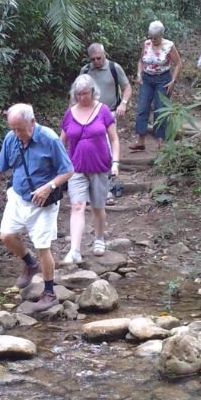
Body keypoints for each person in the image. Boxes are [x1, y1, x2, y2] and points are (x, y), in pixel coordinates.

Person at [0, 103, 73, 312]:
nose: (16, 133)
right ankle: (30, 264)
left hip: (43, 203)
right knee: (6, 236)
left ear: (32, 121)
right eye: (12, 128)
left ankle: (49, 292)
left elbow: (68, 171)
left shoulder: (49, 139)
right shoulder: (11, 139)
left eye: (20, 128)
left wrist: (49, 187)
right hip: (18, 197)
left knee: (42, 246)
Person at [60, 75, 119, 263]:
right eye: (78, 94)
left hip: (100, 166)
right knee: (77, 206)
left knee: (98, 207)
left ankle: (99, 238)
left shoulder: (103, 111)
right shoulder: (69, 113)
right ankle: (75, 250)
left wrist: (116, 162)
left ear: (93, 92)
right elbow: (61, 142)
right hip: (75, 168)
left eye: (85, 93)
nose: (81, 98)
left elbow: (114, 139)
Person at [130, 21, 182, 150]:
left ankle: (161, 140)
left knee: (160, 109)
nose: (153, 40)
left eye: (156, 38)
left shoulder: (169, 45)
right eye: (151, 37)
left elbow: (179, 64)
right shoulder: (146, 44)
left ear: (161, 35)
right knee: (142, 108)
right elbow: (141, 61)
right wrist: (138, 74)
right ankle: (140, 140)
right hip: (147, 79)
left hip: (163, 79)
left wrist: (173, 81)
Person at [79, 43, 132, 124]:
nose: (96, 61)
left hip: (110, 112)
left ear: (104, 54)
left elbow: (127, 87)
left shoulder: (114, 68)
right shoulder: (85, 70)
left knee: (110, 136)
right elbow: (78, 92)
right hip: (89, 112)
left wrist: (123, 103)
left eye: (98, 58)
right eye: (93, 59)